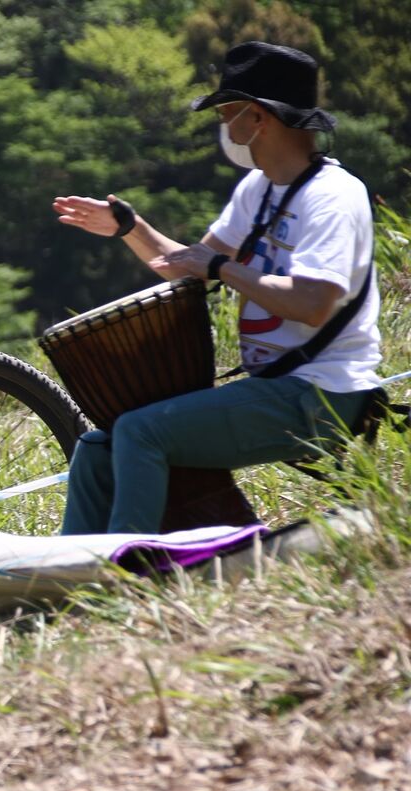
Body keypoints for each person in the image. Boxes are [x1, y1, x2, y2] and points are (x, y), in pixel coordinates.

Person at [50, 41, 381, 535]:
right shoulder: (259, 188)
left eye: (228, 112)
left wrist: (225, 268)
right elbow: (190, 267)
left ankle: (129, 565)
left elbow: (313, 304)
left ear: (259, 117)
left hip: (324, 394)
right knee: (102, 444)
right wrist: (129, 226)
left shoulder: (332, 196)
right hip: (276, 388)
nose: (225, 125)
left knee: (142, 432)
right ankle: (72, 567)